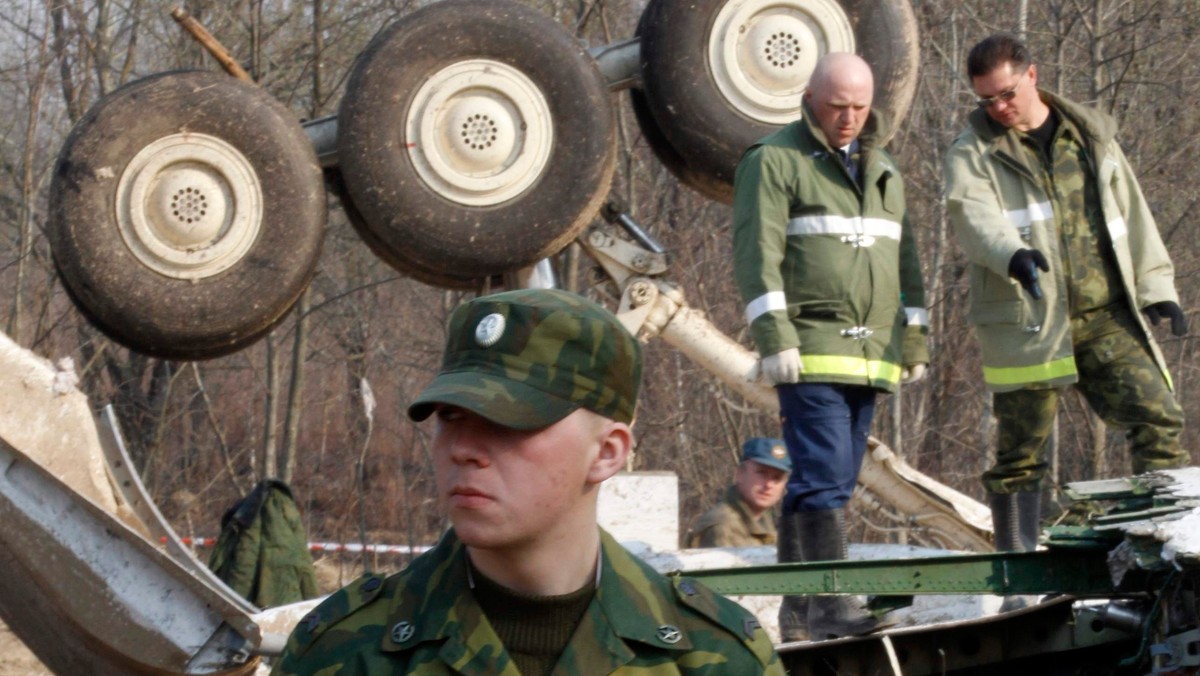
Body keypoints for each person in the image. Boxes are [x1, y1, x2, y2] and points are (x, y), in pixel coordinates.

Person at [271, 288, 783, 675]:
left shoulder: (713, 657)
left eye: (509, 420)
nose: (464, 448)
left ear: (606, 454)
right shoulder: (345, 651)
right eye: (450, 416)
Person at [943, 33, 1189, 597]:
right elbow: (974, 215)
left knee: (1159, 420)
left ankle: (1163, 564)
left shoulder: (1089, 135)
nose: (998, 108)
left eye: (1005, 94)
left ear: (1032, 75)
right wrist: (1014, 254)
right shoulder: (973, 150)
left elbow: (1132, 213)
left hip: (1105, 316)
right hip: (1030, 319)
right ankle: (1016, 579)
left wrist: (1157, 288)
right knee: (1019, 455)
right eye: (986, 101)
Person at [732, 52, 929, 641]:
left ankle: (799, 612)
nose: (849, 118)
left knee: (833, 481)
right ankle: (832, 606)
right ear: (811, 98)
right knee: (822, 477)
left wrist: (914, 336)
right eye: (838, 106)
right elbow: (755, 254)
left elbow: (907, 261)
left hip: (871, 356)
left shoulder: (884, 168)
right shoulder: (775, 161)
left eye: (860, 107)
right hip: (809, 349)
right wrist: (774, 337)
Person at [685, 437, 791, 548]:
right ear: (740, 474)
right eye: (762, 473)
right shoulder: (723, 527)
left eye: (777, 478)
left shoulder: (765, 521)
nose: (769, 485)